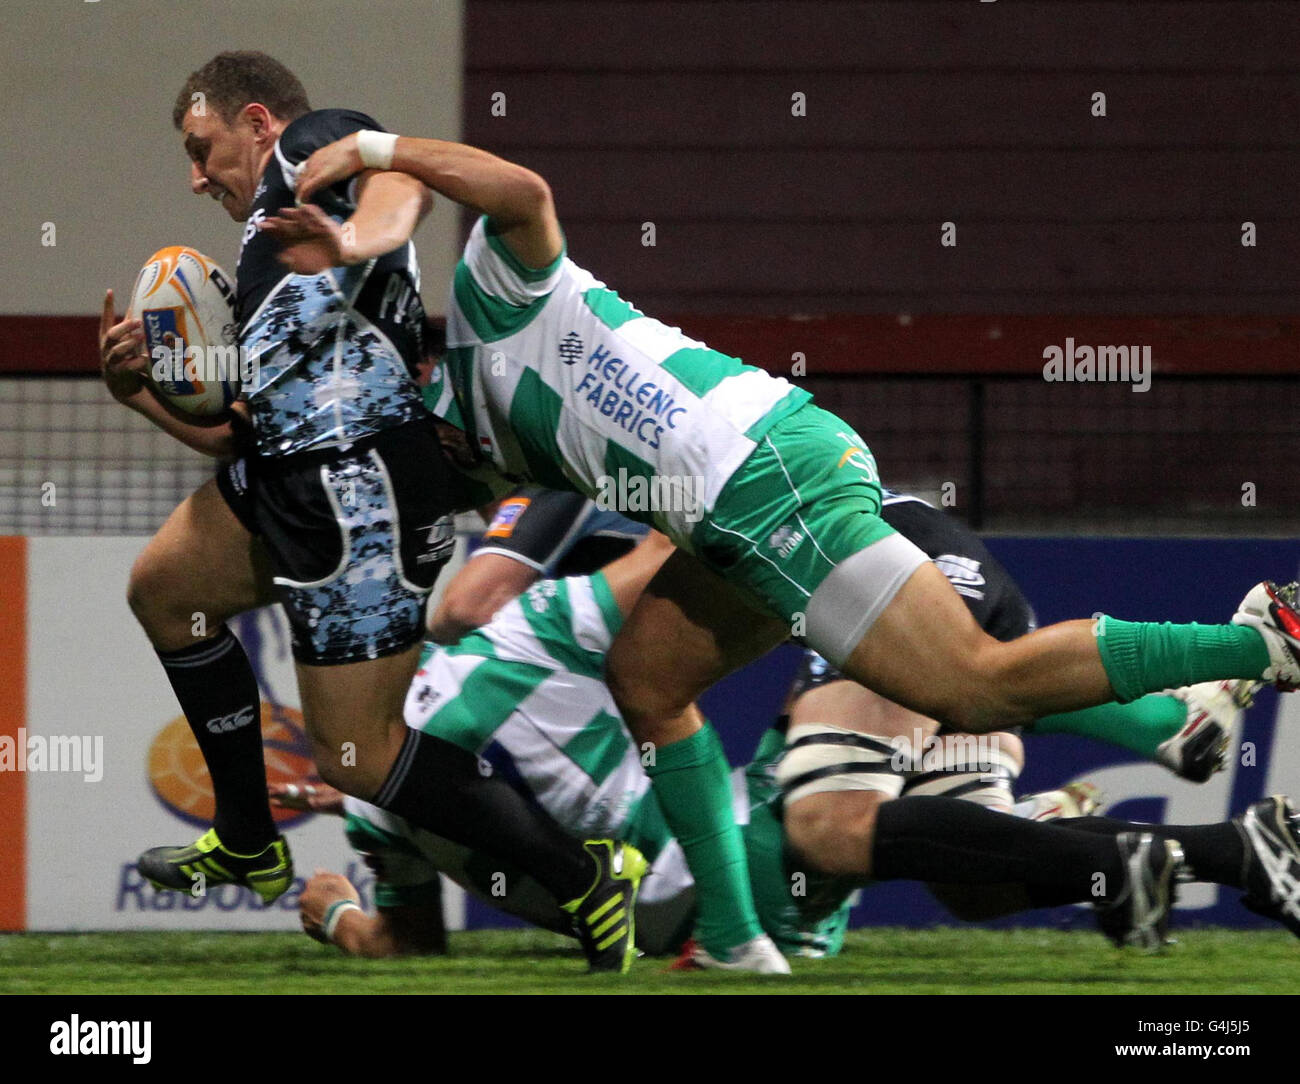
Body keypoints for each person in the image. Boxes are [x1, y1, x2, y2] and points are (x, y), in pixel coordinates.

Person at [268, 129, 1300, 971]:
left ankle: (1256, 644)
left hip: (764, 477)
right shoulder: (471, 448)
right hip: (733, 510)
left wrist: (371, 152)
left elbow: (519, 191)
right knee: (648, 678)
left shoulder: (492, 305)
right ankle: (733, 939)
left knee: (974, 685)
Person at [97, 53, 640, 970]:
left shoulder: (312, 148)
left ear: (258, 122)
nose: (196, 176)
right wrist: (139, 395)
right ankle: (248, 839)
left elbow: (403, 186)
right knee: (163, 589)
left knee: (357, 758)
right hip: (284, 477)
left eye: (201, 147)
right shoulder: (266, 247)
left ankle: (585, 876)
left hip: (362, 495)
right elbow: (234, 433)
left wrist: (356, 242)